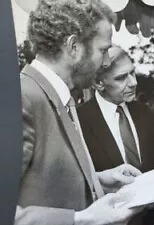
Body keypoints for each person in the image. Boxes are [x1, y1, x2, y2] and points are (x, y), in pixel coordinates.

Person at [18, 1, 144, 224]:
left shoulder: (60, 96)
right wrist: (82, 219)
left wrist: (97, 181)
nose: (106, 62)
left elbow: (39, 181)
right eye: (103, 50)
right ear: (73, 47)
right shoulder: (23, 98)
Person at [77, 46, 154, 225]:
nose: (133, 82)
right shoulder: (78, 121)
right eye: (121, 78)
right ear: (98, 83)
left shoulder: (146, 113)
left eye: (132, 73)